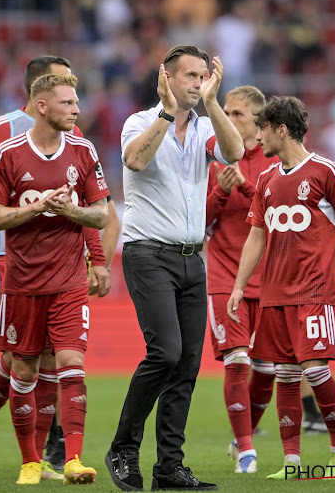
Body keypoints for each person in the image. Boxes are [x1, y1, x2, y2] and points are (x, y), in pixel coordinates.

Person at [227, 96, 335, 479]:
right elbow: (256, 237)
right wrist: (239, 286)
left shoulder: (327, 172)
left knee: (315, 370)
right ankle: (292, 462)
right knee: (286, 375)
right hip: (274, 295)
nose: (259, 136)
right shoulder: (267, 180)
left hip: (315, 292)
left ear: (281, 130)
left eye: (263, 128)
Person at [0, 55, 109, 481]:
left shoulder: (77, 138)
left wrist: (97, 257)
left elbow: (91, 203)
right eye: (66, 91)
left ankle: (44, 457)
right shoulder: (1, 131)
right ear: (40, 95)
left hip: (64, 263)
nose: (76, 104)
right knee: (16, 359)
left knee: (55, 359)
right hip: (12, 259)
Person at [105, 45, 243, 492]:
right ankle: (123, 448)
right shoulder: (140, 121)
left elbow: (235, 151)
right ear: (166, 77)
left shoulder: (205, 125)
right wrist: (166, 114)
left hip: (190, 257)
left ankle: (169, 467)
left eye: (204, 75)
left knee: (186, 363)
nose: (198, 83)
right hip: (148, 253)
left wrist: (215, 105)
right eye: (190, 75)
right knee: (164, 352)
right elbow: (135, 160)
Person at [205, 85, 277, 474]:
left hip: (268, 278)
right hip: (223, 274)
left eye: (238, 115)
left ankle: (240, 439)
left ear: (257, 122)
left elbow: (277, 218)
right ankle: (248, 451)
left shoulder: (273, 161)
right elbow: (197, 222)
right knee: (237, 361)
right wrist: (220, 191)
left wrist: (245, 187)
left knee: (266, 368)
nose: (229, 121)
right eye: (226, 113)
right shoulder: (213, 159)